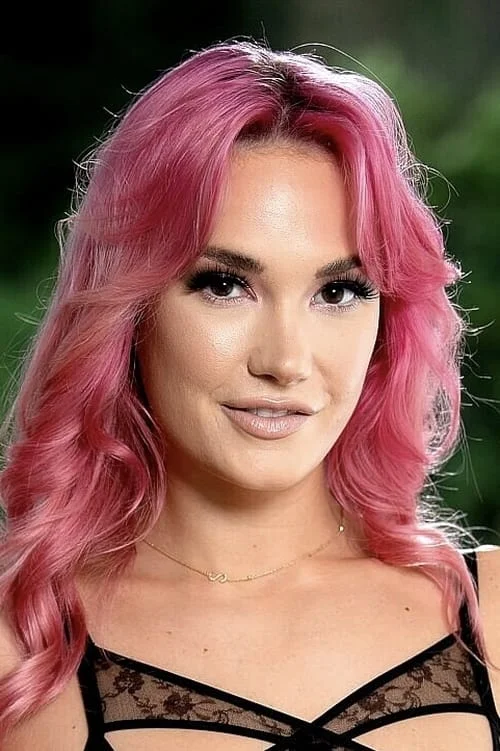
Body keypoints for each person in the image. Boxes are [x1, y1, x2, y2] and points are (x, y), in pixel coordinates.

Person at [0, 38, 499, 751]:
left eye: (339, 291)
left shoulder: (490, 618)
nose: (286, 361)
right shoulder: (22, 653)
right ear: (131, 310)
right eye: (224, 284)